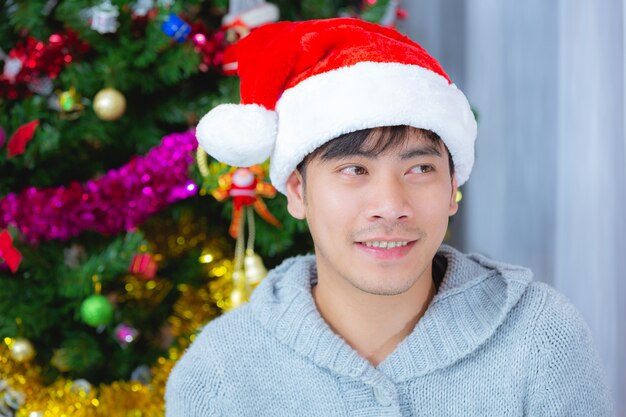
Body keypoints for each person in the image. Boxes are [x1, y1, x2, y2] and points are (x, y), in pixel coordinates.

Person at [165, 18, 614, 416]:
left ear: (454, 185)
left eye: (420, 169)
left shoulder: (540, 336)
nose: (391, 205)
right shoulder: (218, 370)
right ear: (298, 193)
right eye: (354, 170)